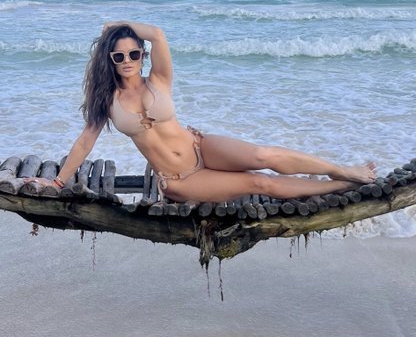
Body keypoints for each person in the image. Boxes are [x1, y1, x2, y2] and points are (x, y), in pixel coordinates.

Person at [24, 21, 377, 202]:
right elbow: (85, 142)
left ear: (142, 56)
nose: (128, 60)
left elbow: (158, 34)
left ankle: (342, 170)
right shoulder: (107, 100)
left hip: (201, 147)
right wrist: (57, 181)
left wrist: (116, 27)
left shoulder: (159, 79)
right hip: (181, 180)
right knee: (261, 182)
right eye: (119, 55)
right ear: (110, 60)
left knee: (263, 155)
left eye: (134, 53)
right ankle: (338, 186)